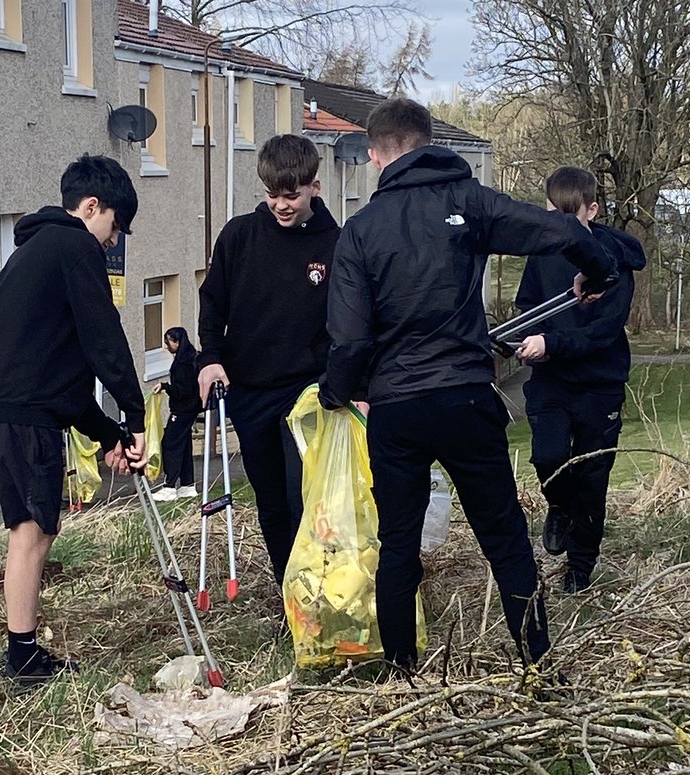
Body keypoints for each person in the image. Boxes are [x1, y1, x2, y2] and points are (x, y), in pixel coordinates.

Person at [320, 98, 615, 673]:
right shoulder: (469, 201)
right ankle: (537, 661)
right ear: (427, 142)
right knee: (503, 536)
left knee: (398, 544)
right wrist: (598, 269)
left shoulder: (359, 230)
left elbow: (350, 339)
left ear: (377, 155)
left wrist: (339, 388)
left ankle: (401, 672)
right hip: (465, 397)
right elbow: (554, 227)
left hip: (397, 408)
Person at [0, 154, 147, 686]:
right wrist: (134, 415)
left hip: (6, 402)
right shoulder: (73, 246)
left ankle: (22, 650)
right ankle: (22, 657)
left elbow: (61, 378)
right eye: (116, 225)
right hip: (19, 410)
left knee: (35, 525)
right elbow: (103, 337)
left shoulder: (36, 249)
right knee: (33, 529)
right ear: (92, 207)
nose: (114, 240)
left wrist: (109, 432)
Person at [197, 134, 340, 587]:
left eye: (291, 195)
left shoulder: (336, 243)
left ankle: (320, 586)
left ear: (314, 187)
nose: (281, 204)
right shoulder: (240, 234)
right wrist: (209, 358)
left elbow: (347, 321)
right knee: (272, 501)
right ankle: (289, 593)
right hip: (251, 391)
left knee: (306, 499)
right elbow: (212, 301)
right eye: (272, 194)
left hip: (308, 392)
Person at [515, 166, 645, 594]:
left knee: (592, 476)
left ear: (593, 209)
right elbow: (527, 306)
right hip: (550, 381)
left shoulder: (613, 265)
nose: (562, 227)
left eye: (571, 217)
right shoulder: (541, 253)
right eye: (554, 215)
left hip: (598, 382)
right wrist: (522, 338)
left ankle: (581, 566)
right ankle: (558, 505)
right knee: (548, 457)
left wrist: (551, 343)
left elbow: (602, 333)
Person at [151, 326, 200, 501]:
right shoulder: (192, 357)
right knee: (184, 445)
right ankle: (187, 484)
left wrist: (166, 387)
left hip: (182, 409)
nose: (166, 346)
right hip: (191, 408)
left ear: (177, 342)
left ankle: (169, 485)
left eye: (168, 342)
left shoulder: (182, 364)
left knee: (170, 443)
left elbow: (182, 390)